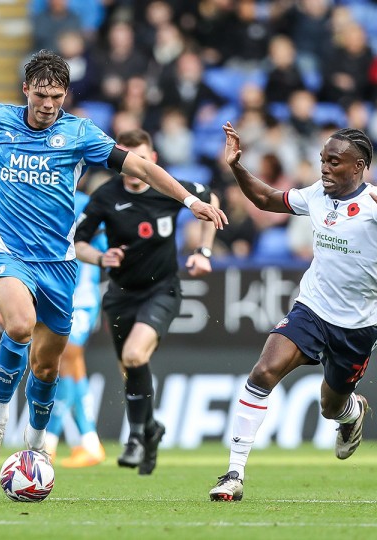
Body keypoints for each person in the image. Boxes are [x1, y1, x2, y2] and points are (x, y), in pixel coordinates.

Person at [0, 50, 226, 470]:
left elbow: (141, 167)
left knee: (46, 368)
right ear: (26, 89)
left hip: (58, 264)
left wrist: (190, 200)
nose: (48, 104)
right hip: (6, 251)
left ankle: (36, 440)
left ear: (66, 95)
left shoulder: (79, 133)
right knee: (19, 325)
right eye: (41, 95)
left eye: (57, 97)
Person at [209, 123, 377, 501]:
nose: (325, 168)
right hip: (312, 308)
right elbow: (265, 199)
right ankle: (234, 473)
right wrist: (236, 167)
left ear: (358, 166)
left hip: (358, 325)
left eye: (334, 162)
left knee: (331, 406)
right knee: (263, 372)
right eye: (323, 160)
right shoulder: (316, 194)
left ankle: (351, 412)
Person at [73, 128, 219, 475]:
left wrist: (203, 251)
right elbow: (78, 243)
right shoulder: (105, 196)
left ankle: (136, 436)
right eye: (127, 159)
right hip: (120, 296)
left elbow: (210, 200)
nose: (133, 166)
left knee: (135, 355)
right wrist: (100, 258)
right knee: (130, 369)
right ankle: (151, 428)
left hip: (161, 290)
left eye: (139, 158)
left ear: (151, 159)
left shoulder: (167, 188)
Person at [43, 189, 108, 468]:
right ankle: (90, 442)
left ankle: (49, 442)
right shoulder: (40, 195)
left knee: (68, 355)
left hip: (82, 296)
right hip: (55, 295)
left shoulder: (84, 203)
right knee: (70, 363)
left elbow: (103, 245)